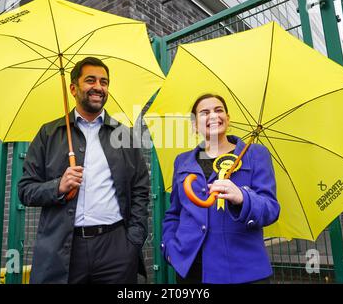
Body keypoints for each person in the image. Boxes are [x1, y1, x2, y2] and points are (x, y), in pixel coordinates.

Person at [18, 57, 150, 284]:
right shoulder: (49, 133)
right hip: (65, 250)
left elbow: (141, 188)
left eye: (104, 82)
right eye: (90, 80)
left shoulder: (124, 135)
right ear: (73, 88)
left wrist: (133, 240)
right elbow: (25, 190)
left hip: (116, 248)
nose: (99, 87)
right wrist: (57, 186)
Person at [161, 93, 280, 284]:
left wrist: (242, 197)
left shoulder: (255, 154)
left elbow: (270, 209)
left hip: (243, 269)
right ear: (194, 124)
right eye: (204, 112)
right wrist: (169, 248)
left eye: (219, 110)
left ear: (228, 118)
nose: (213, 116)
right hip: (191, 269)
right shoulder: (182, 161)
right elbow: (174, 213)